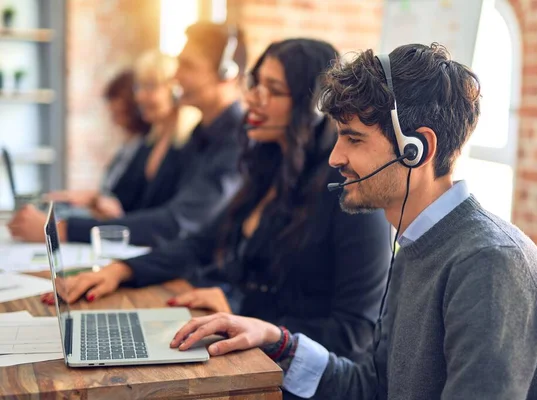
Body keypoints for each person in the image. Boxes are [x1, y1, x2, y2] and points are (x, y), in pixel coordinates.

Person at [166, 43, 537, 399]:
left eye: (354, 139)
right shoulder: (417, 246)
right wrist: (278, 341)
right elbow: (373, 388)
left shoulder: (490, 264)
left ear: (417, 149)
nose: (334, 158)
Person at [50, 39, 391, 365]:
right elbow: (200, 243)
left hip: (299, 377)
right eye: (256, 84)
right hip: (249, 355)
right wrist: (124, 270)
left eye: (273, 91)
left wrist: (246, 311)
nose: (253, 98)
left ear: (313, 107)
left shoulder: (350, 194)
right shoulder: (268, 170)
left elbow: (354, 334)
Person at [8, 22, 246, 247]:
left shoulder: (238, 140)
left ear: (227, 73)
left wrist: (61, 230)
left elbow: (176, 224)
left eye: (189, 66)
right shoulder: (201, 133)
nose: (177, 76)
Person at [87, 50, 202, 220]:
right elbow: (127, 203)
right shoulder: (149, 143)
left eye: (150, 86)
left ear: (176, 89)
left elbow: (175, 218)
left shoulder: (192, 145)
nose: (139, 97)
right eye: (138, 87)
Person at [44, 70, 151, 214]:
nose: (111, 107)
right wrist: (85, 198)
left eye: (116, 99)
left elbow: (125, 206)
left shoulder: (148, 148)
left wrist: (93, 200)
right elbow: (109, 194)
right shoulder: (128, 146)